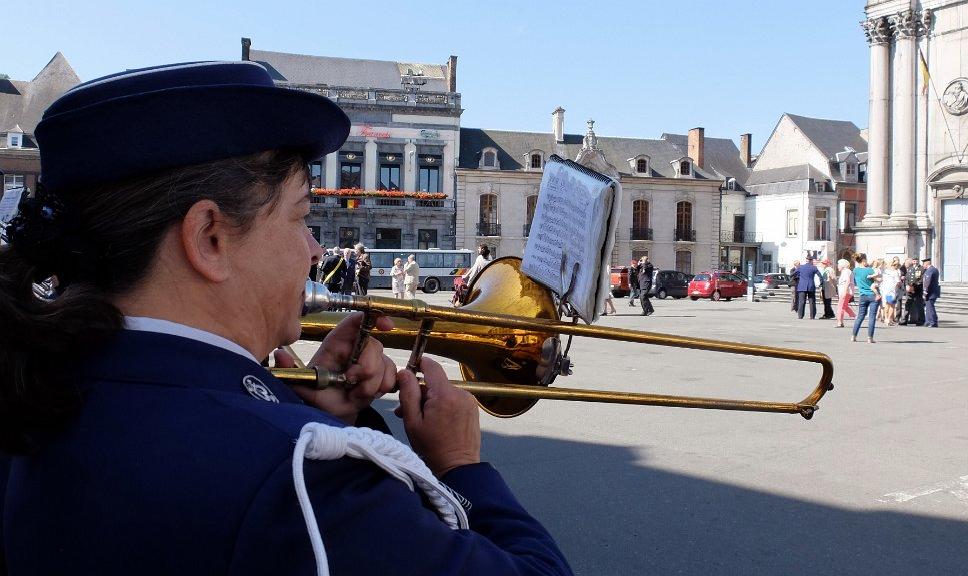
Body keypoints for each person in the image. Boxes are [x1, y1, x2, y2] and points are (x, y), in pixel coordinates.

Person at [0, 61, 571, 575]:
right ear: (210, 237)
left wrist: (320, 417)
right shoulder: (302, 477)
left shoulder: (42, 393)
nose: (316, 252)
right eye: (300, 219)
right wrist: (460, 465)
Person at [851, 253, 882, 343]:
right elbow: (878, 279)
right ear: (864, 260)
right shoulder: (870, 270)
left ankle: (853, 336)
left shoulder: (855, 270)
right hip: (873, 294)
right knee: (872, 317)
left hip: (862, 295)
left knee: (860, 316)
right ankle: (870, 338)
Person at [900, 257, 924, 326]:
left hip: (917, 290)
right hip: (909, 291)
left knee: (919, 306)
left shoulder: (921, 269)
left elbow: (921, 280)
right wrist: (907, 285)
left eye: (916, 261)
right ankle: (904, 320)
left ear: (918, 261)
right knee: (907, 306)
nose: (915, 262)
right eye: (914, 261)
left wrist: (913, 287)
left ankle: (921, 321)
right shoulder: (910, 269)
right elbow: (907, 278)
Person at [794, 254, 818, 320]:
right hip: (811, 286)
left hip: (802, 286)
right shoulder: (814, 267)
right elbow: (820, 276)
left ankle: (800, 316)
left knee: (801, 301)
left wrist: (798, 277)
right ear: (811, 261)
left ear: (806, 260)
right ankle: (812, 316)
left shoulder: (801, 267)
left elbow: (793, 274)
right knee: (812, 302)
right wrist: (821, 283)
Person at [834, 259, 856, 328]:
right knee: (844, 306)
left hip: (845, 292)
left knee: (840, 307)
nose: (837, 266)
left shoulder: (846, 271)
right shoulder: (846, 271)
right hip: (846, 292)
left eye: (838, 265)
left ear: (842, 265)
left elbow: (847, 281)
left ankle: (839, 322)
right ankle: (855, 316)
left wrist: (844, 291)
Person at [880, 259, 901, 326]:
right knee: (892, 305)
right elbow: (898, 282)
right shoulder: (895, 272)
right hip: (892, 291)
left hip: (885, 290)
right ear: (893, 265)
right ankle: (889, 319)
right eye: (896, 265)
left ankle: (886, 319)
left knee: (886, 305)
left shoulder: (885, 271)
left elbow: (882, 279)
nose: (897, 267)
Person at [922, 257, 941, 327]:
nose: (923, 266)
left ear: (926, 264)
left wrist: (925, 292)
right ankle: (928, 321)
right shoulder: (934, 269)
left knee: (930, 308)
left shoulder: (930, 270)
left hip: (930, 292)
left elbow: (927, 282)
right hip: (933, 292)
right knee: (929, 307)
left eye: (923, 264)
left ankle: (932, 322)